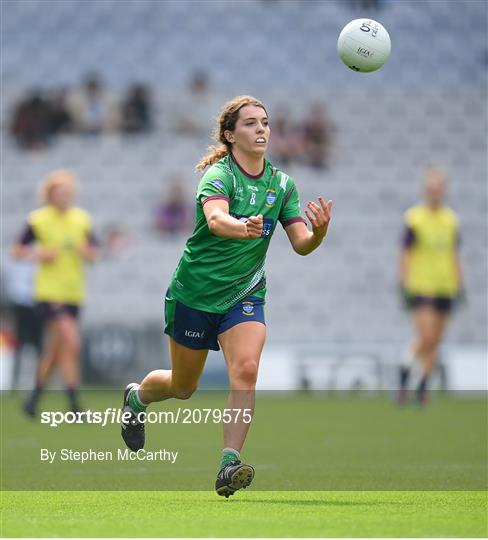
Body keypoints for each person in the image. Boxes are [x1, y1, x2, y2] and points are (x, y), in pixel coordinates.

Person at [120, 95, 332, 497]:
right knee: (183, 387)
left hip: (244, 294)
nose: (262, 130)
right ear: (230, 135)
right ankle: (137, 397)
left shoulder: (282, 184)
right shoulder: (218, 176)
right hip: (194, 293)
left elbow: (300, 242)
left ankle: (228, 463)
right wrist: (243, 227)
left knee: (247, 369)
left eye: (265, 122)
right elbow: (216, 220)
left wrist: (318, 234)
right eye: (251, 124)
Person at [11, 170, 99, 416]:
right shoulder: (38, 220)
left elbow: (94, 253)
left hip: (74, 292)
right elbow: (16, 250)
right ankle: (74, 406)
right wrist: (38, 254)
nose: (65, 197)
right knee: (71, 342)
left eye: (68, 193)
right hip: (49, 292)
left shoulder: (81, 219)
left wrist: (86, 252)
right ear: (49, 194)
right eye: (60, 192)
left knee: (56, 349)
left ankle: (33, 400)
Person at [398, 166, 463, 405]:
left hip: (446, 286)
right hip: (421, 285)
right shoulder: (414, 218)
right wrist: (404, 283)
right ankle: (404, 375)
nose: (435, 191)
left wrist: (459, 283)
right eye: (431, 187)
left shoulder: (451, 220)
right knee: (425, 338)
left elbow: (454, 254)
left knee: (435, 341)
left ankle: (422, 388)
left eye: (439, 187)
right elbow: (405, 254)